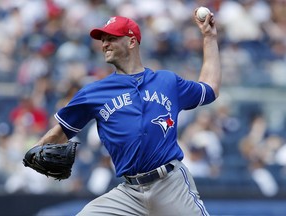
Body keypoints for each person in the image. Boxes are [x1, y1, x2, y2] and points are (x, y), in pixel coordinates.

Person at [33, 8, 221, 216]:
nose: (104, 44)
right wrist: (34, 154)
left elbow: (210, 88)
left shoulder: (167, 81)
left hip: (171, 185)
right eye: (103, 39)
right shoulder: (93, 92)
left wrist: (209, 37)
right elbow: (60, 132)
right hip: (129, 193)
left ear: (131, 42)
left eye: (111, 38)